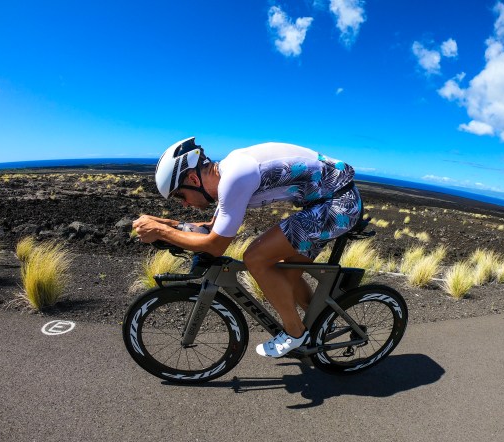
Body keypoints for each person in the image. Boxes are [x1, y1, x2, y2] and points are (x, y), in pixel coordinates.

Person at [133, 137, 362, 358]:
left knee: (255, 258)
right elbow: (211, 228)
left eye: (180, 196)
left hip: (339, 203)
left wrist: (161, 232)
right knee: (285, 276)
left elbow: (215, 246)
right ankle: (322, 324)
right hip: (325, 201)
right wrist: (164, 223)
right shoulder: (228, 174)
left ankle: (295, 333)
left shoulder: (235, 178)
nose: (184, 203)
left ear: (193, 179)